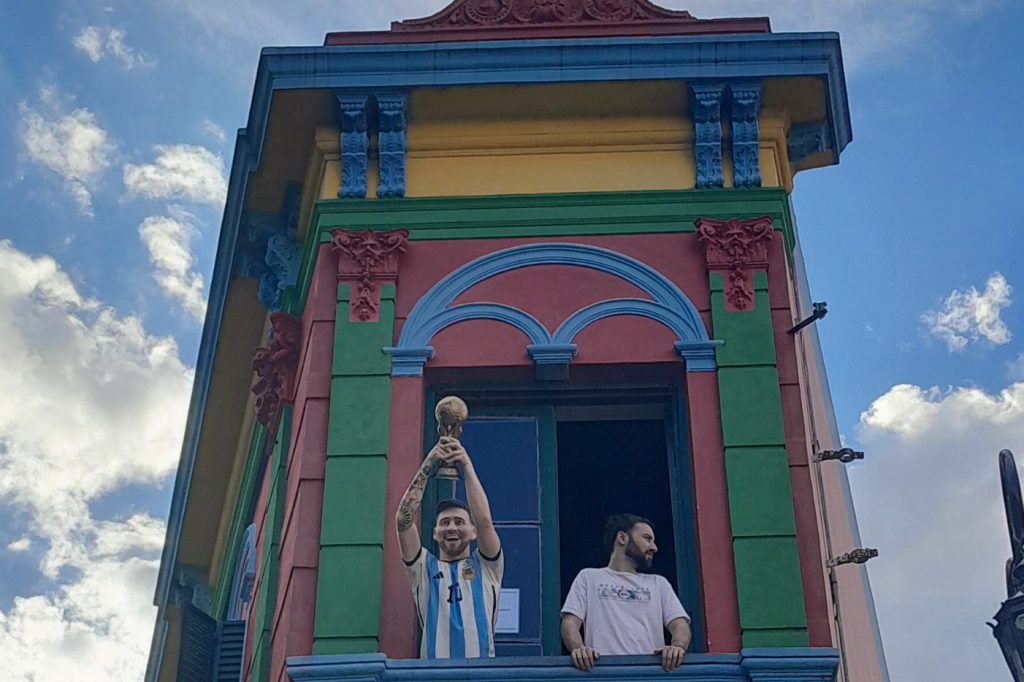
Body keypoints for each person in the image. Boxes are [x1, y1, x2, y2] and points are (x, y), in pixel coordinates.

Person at [396, 436, 503, 658]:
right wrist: (429, 462)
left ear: (473, 532)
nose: (452, 527)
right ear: (434, 533)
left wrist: (466, 465)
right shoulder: (423, 569)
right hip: (435, 676)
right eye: (444, 523)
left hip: (482, 676)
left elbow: (484, 520)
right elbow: (403, 521)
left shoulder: (487, 567)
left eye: (459, 522)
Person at [561, 514, 692, 672]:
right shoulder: (589, 577)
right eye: (647, 538)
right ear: (622, 538)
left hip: (649, 674)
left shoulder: (659, 583)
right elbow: (570, 623)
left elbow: (680, 624)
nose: (654, 547)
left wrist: (676, 647)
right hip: (604, 673)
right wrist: (579, 649)